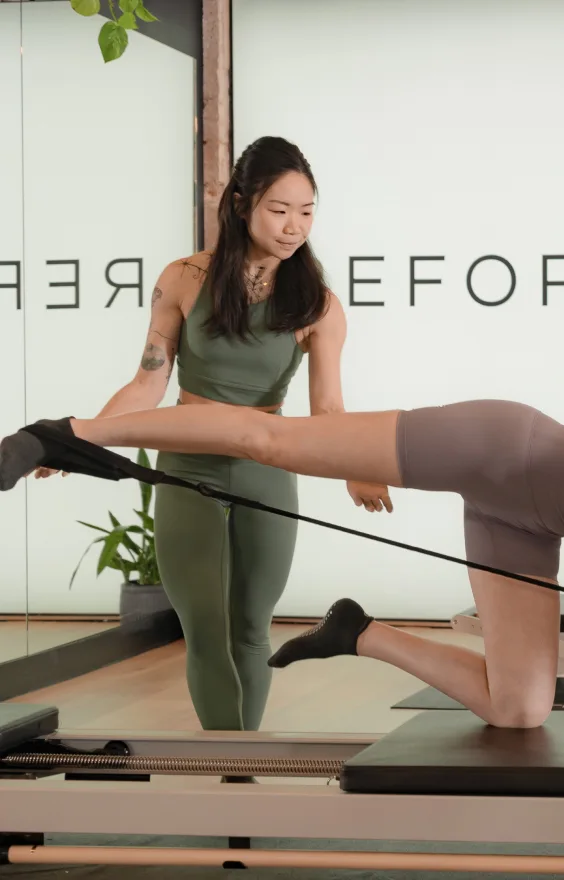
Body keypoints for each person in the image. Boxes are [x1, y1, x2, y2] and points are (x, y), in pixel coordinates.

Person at [0, 401, 564, 758]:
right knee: (269, 439)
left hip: (526, 530)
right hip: (505, 449)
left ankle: (357, 630)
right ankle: (68, 433)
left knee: (520, 710)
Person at [28, 136, 393, 734]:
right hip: (186, 468)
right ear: (243, 204)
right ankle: (229, 761)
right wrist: (82, 441)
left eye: (307, 211)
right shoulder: (183, 278)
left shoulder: (317, 304)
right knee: (203, 627)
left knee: (252, 626)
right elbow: (147, 385)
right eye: (279, 209)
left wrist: (358, 462)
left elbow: (327, 406)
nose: (294, 225)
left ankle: (238, 772)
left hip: (266, 470)